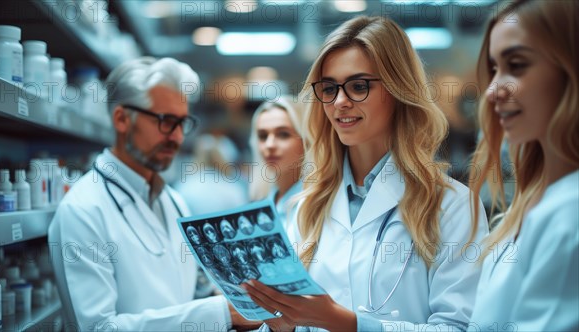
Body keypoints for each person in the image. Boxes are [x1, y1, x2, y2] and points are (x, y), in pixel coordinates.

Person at [242, 16, 489, 331]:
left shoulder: (452, 206)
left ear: (399, 90)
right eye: (329, 88)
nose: (340, 102)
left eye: (358, 86)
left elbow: (458, 327)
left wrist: (346, 322)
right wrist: (281, 323)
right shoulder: (307, 206)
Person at [48, 57, 256, 330]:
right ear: (122, 119)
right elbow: (99, 328)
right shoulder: (84, 209)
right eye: (166, 121)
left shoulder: (174, 202)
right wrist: (220, 314)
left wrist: (246, 299)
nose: (178, 137)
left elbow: (197, 291)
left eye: (183, 123)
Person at [468, 1, 578, 330]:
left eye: (516, 65)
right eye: (494, 69)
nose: (492, 91)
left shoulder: (569, 212)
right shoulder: (530, 199)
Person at [249, 96, 307, 227]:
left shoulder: (319, 205)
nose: (269, 145)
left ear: (306, 140)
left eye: (283, 134)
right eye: (263, 136)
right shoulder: (259, 206)